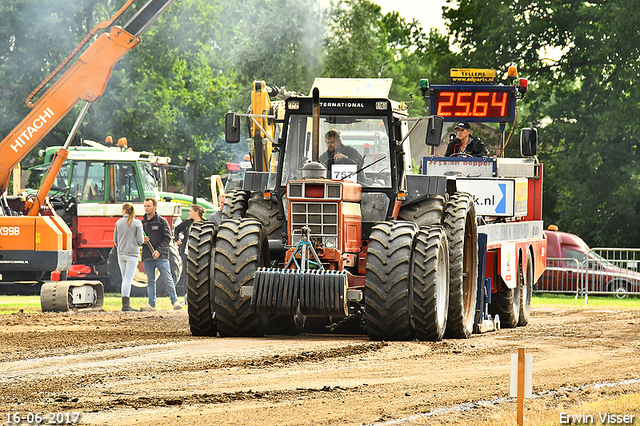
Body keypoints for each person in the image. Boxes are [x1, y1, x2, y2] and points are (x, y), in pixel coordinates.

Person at [140, 197, 182, 311]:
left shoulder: (162, 221)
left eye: (148, 206)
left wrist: (159, 251)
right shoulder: (141, 223)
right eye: (145, 206)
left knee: (168, 279)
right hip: (148, 257)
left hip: (161, 257)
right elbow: (136, 239)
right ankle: (151, 305)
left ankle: (175, 302)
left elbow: (167, 238)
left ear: (155, 207)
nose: (146, 208)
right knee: (150, 282)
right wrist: (141, 240)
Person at [113, 203, 144, 311]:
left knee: (124, 278)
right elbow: (141, 241)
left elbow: (115, 240)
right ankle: (126, 305)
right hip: (132, 254)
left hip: (121, 253)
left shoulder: (118, 222)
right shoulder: (137, 223)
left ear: (124, 210)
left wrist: (120, 248)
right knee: (128, 279)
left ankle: (125, 304)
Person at [174, 204, 205, 293]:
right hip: (187, 251)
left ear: (196, 212)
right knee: (186, 274)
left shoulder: (205, 223)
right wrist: (177, 239)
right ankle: (185, 295)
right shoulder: (188, 223)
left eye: (191, 211)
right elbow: (177, 229)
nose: (189, 213)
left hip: (200, 252)